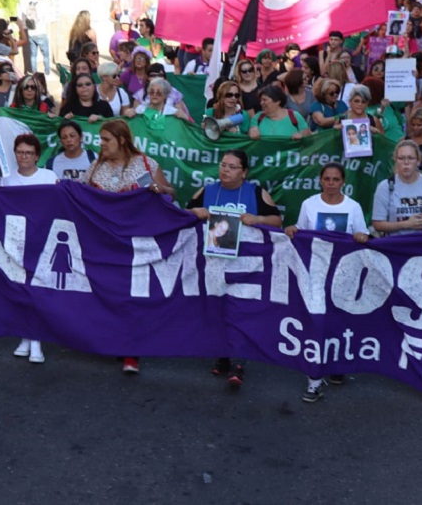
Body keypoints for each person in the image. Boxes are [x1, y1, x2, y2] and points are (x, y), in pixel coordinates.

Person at [82, 119, 175, 375]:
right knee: (108, 293)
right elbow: (80, 195)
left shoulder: (145, 164)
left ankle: (131, 351)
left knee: (131, 296)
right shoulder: (95, 167)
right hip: (104, 242)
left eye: (106, 140)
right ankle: (111, 341)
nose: (101, 145)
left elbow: (171, 194)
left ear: (121, 140)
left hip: (136, 242)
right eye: (100, 140)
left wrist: (160, 189)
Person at [186, 149, 282, 388]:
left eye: (231, 166)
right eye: (222, 165)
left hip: (246, 263)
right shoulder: (207, 190)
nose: (224, 170)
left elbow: (277, 221)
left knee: (241, 311)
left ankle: (239, 361)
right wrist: (195, 212)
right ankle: (223, 355)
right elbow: (183, 214)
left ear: (244, 172)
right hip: (213, 262)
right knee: (219, 308)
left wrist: (257, 219)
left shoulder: (257, 192)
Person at [284, 162, 369, 402]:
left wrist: (362, 236)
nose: (331, 183)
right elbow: (300, 230)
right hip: (316, 274)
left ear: (343, 182)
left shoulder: (353, 207)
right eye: (327, 179)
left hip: (344, 274)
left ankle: (337, 365)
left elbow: (362, 235)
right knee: (317, 322)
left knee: (340, 321)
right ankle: (314, 379)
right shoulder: (309, 204)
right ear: (320, 180)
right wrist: (292, 229)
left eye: (336, 179)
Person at [0, 134, 57, 363]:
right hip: (15, 241)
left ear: (37, 156)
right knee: (20, 290)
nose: (24, 156)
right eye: (20, 152)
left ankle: (36, 341)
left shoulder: (49, 176)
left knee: (37, 289)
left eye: (29, 153)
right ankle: (26, 337)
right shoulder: (6, 179)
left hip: (41, 238)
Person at [371, 140, 422, 236]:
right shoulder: (385, 186)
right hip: (396, 243)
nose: (406, 162)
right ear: (395, 160)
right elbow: (378, 224)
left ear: (418, 161)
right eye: (401, 158)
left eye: (411, 158)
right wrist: (406, 224)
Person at [24, 0, 51, 75]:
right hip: (41, 32)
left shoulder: (29, 5)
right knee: (46, 55)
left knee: (33, 55)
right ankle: (47, 72)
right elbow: (47, 15)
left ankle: (34, 72)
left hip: (31, 32)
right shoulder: (41, 5)